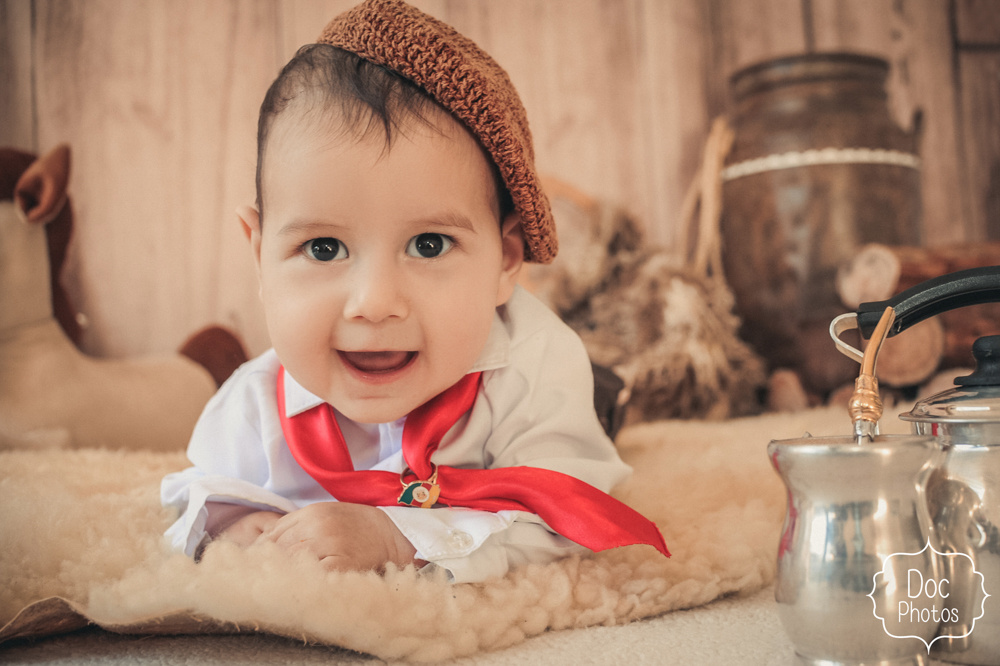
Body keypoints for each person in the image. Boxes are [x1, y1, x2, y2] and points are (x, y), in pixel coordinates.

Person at [162, 0, 667, 584]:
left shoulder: (538, 371)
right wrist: (231, 527)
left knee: (602, 401)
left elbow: (569, 513)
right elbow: (191, 498)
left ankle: (613, 397)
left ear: (506, 259)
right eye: (323, 248)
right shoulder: (253, 403)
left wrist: (402, 539)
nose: (375, 303)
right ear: (259, 256)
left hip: (554, 400)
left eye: (429, 245)